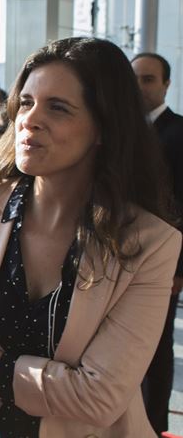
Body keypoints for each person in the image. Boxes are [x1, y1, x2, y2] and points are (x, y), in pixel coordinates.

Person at [0, 37, 180, 437]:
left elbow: (98, 397)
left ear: (103, 128)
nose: (30, 120)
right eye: (25, 102)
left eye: (58, 108)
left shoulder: (149, 243)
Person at [132, 51, 183, 435]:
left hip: (165, 261)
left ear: (166, 84)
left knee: (157, 347)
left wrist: (180, 269)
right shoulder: (120, 132)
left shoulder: (179, 133)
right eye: (134, 78)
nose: (140, 86)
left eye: (148, 79)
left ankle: (156, 425)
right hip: (118, 254)